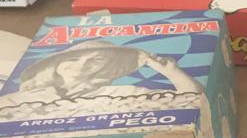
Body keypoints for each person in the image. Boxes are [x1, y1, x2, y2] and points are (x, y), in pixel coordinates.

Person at [0, 42, 202, 109]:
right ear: (54, 65)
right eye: (74, 58)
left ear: (107, 66)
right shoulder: (15, 100)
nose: (82, 64)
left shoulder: (125, 93)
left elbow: (193, 103)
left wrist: (172, 72)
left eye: (97, 60)